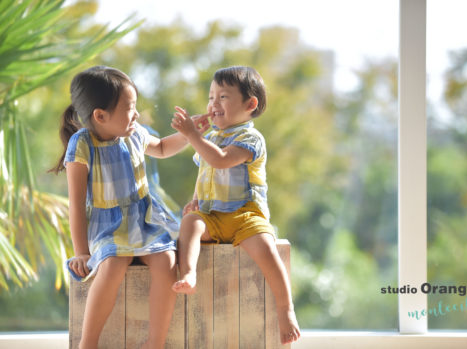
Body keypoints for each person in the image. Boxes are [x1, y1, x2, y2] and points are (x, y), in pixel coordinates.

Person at [49, 66, 208, 349]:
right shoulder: (83, 144)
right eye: (129, 107)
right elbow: (76, 204)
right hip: (108, 224)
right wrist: (82, 251)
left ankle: (154, 342)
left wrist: (189, 134)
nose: (136, 114)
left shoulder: (135, 133)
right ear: (100, 116)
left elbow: (160, 148)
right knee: (112, 265)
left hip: (144, 217)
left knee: (167, 262)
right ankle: (88, 343)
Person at [170, 66, 301, 344]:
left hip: (245, 215)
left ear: (249, 104)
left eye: (223, 97)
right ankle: (190, 274)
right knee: (190, 224)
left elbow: (220, 160)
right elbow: (205, 169)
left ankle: (285, 309)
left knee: (267, 251)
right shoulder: (211, 138)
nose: (213, 104)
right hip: (213, 215)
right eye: (210, 96)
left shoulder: (250, 138)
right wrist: (196, 200)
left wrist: (193, 136)